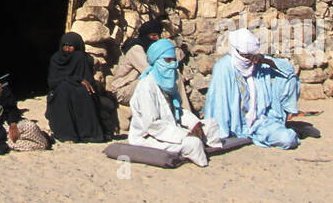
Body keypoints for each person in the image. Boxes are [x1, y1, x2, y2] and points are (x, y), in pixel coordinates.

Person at [128, 38, 223, 166]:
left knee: (211, 126)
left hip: (172, 128)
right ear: (157, 62)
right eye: (168, 60)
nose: (173, 64)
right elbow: (152, 125)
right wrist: (184, 134)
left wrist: (195, 124)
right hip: (149, 136)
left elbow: (177, 110)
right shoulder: (146, 86)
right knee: (193, 144)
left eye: (174, 60)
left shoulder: (167, 83)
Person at [203, 28, 300, 149]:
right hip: (238, 124)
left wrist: (265, 60)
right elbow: (218, 102)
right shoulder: (224, 67)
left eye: (251, 56)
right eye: (245, 56)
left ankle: (274, 127)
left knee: (288, 139)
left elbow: (288, 70)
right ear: (235, 50)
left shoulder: (258, 62)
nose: (248, 60)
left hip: (262, 121)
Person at [46, 32, 106, 143]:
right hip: (61, 91)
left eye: (71, 46)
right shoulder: (56, 59)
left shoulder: (82, 59)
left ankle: (87, 134)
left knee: (83, 93)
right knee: (64, 89)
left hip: (79, 90)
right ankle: (67, 134)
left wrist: (78, 82)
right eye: (65, 45)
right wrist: (76, 79)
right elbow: (53, 82)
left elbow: (89, 83)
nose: (67, 48)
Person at [112, 20, 178, 106]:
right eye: (153, 35)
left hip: (138, 84)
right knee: (157, 81)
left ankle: (184, 113)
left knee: (174, 77)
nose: (157, 38)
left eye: (158, 35)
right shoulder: (136, 49)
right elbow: (148, 71)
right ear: (146, 35)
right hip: (123, 90)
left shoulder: (149, 50)